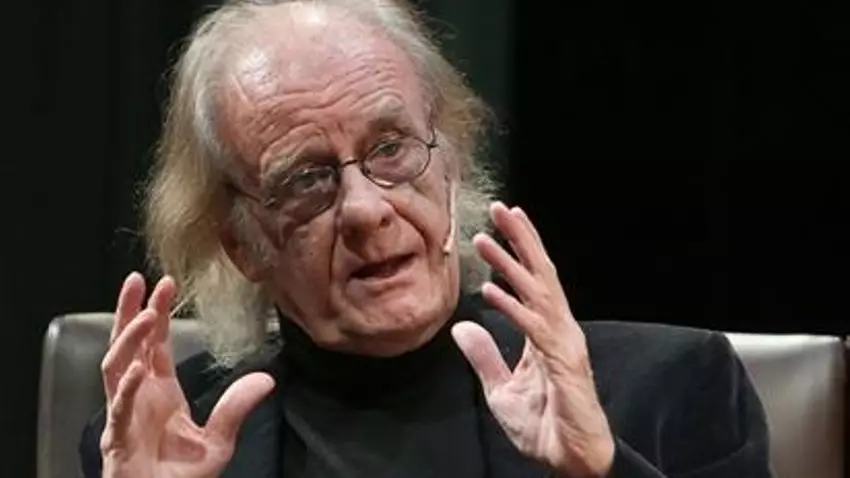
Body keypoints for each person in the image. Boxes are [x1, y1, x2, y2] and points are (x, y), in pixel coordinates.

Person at [79, 0, 774, 476]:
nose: (365, 210)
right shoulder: (163, 439)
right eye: (306, 179)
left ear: (451, 164)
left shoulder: (666, 393)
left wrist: (600, 470)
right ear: (241, 244)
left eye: (391, 149)